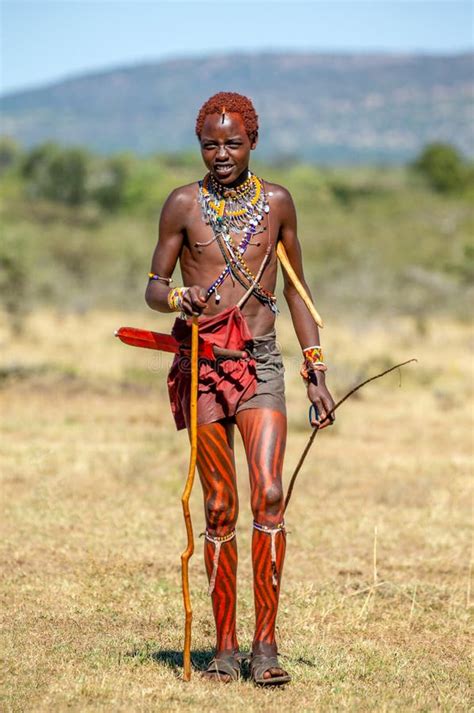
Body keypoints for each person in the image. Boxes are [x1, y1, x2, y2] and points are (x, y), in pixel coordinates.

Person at [145, 92, 335, 685]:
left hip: (261, 365)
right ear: (198, 144)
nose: (221, 153)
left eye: (232, 142)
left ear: (253, 141)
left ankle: (266, 647)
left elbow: (299, 293)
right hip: (204, 365)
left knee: (270, 494)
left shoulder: (277, 203)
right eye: (210, 143)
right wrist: (178, 297)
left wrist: (317, 371)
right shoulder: (181, 204)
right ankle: (225, 648)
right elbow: (153, 285)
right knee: (221, 505)